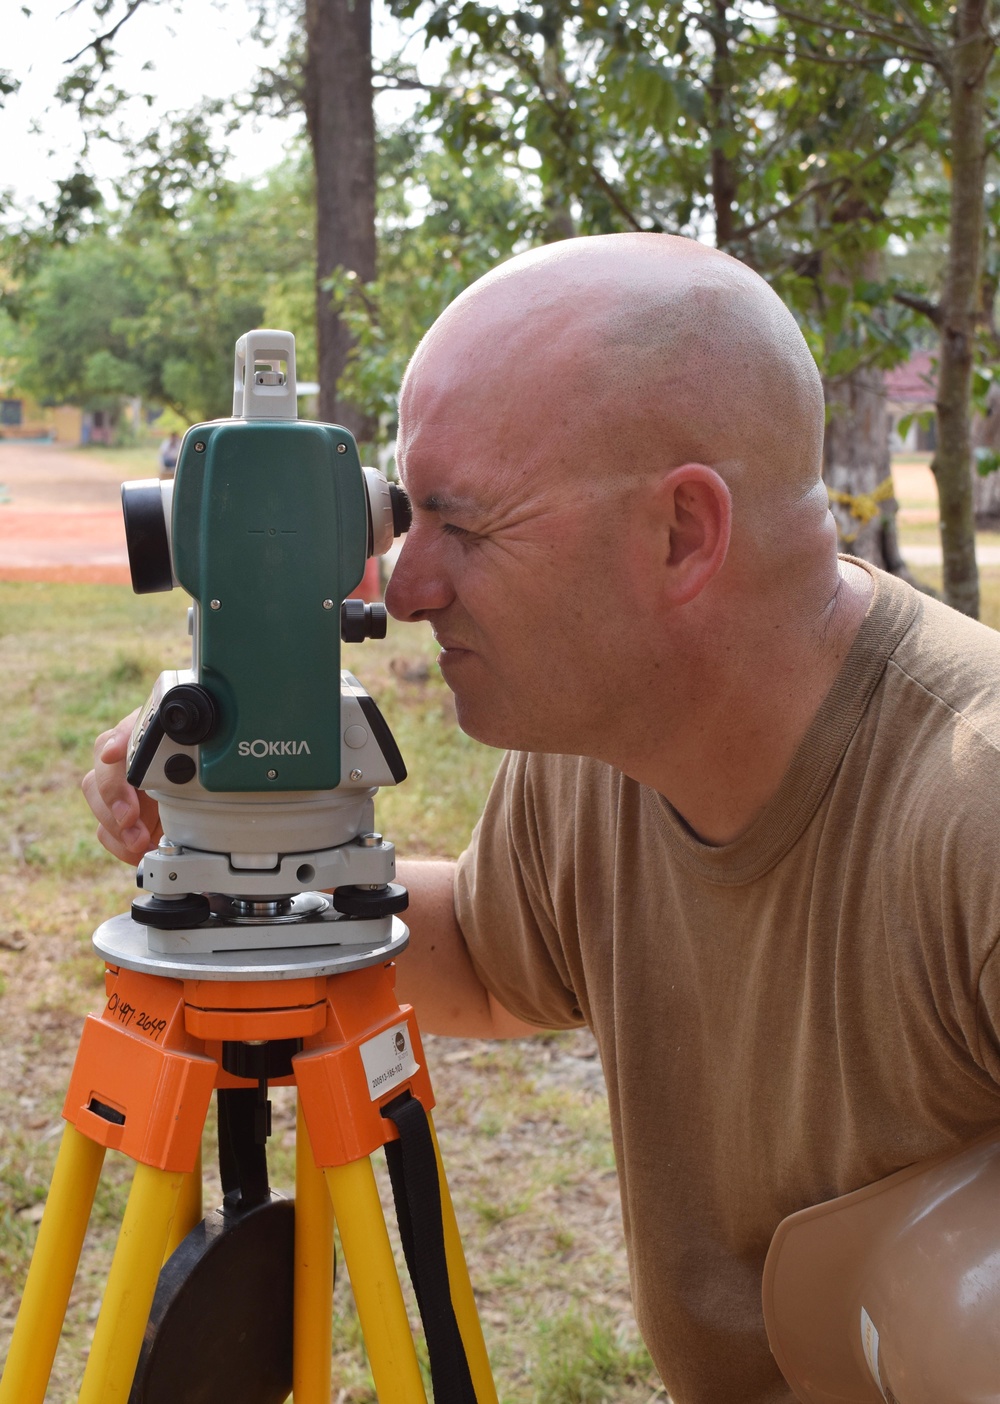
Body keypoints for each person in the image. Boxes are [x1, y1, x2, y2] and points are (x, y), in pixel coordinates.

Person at [83, 234, 1000, 1404]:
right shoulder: (606, 744)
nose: (402, 586)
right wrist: (238, 848)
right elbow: (489, 954)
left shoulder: (969, 809)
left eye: (463, 527)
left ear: (680, 534)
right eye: (405, 516)